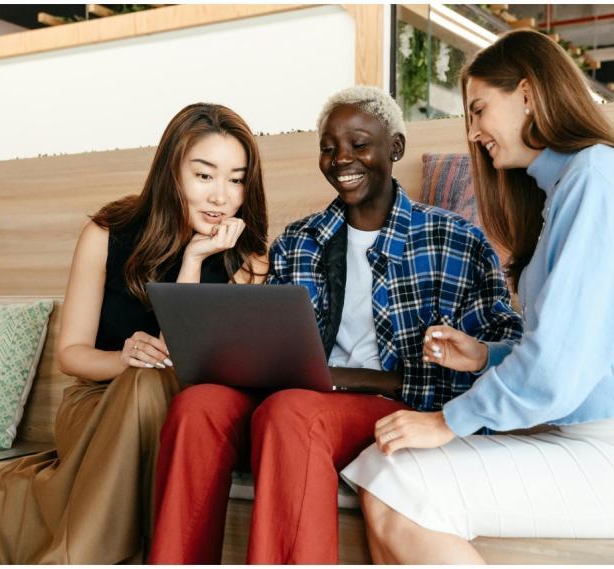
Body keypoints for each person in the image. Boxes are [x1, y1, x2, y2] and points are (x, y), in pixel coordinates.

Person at [340, 29, 614, 564]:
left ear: (529, 94)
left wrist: (448, 422)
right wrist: (488, 355)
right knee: (387, 474)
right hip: (594, 441)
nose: (473, 131)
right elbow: (583, 343)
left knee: (399, 481)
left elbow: (560, 364)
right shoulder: (567, 187)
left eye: (479, 109)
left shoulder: (596, 177)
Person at [149, 85, 523, 564]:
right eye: (329, 147)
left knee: (291, 413)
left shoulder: (454, 238)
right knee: (196, 406)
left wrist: (344, 380)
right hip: (293, 399)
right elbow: (270, 348)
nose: (342, 158)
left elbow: (503, 345)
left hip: (383, 405)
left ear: (395, 148)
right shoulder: (299, 241)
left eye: (359, 144)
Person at [0, 103, 269, 564]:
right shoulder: (107, 233)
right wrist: (123, 359)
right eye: (204, 176)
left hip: (183, 419)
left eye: (236, 180)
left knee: (156, 385)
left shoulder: (248, 262)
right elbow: (71, 355)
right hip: (96, 404)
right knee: (144, 380)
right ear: (170, 173)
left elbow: (189, 365)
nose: (221, 197)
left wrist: (195, 260)